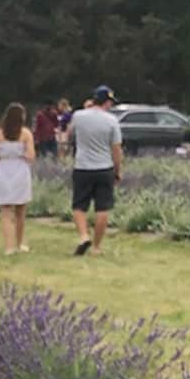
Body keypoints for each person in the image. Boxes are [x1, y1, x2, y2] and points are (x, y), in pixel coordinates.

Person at [65, 86, 124, 256]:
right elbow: (116, 149)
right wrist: (118, 169)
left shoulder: (79, 116)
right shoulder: (112, 120)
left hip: (82, 166)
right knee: (102, 208)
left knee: (79, 206)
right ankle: (97, 246)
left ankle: (84, 235)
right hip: (104, 167)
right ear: (107, 102)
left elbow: (69, 135)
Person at [0, 102, 34, 254]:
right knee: (20, 211)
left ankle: (9, 247)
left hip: (3, 171)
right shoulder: (26, 133)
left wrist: (4, 154)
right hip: (20, 171)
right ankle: (20, 243)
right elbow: (31, 156)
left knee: (6, 212)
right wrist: (20, 154)